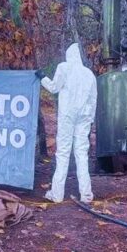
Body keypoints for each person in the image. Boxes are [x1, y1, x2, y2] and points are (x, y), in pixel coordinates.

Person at [36, 43, 97, 203]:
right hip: (84, 116)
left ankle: (57, 194)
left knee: (63, 153)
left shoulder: (64, 68)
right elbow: (93, 99)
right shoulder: (89, 74)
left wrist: (42, 78)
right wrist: (90, 119)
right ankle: (86, 194)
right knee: (81, 154)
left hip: (67, 116)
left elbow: (54, 87)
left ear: (68, 56)